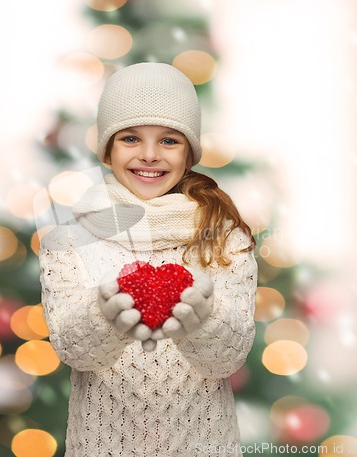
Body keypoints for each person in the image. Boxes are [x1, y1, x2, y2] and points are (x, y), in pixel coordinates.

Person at [39, 62, 258, 456]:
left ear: (189, 152)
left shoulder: (224, 239)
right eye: (131, 139)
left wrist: (203, 318)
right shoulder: (68, 242)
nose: (151, 155)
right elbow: (73, 350)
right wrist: (103, 313)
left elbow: (229, 357)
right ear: (107, 150)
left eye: (169, 141)